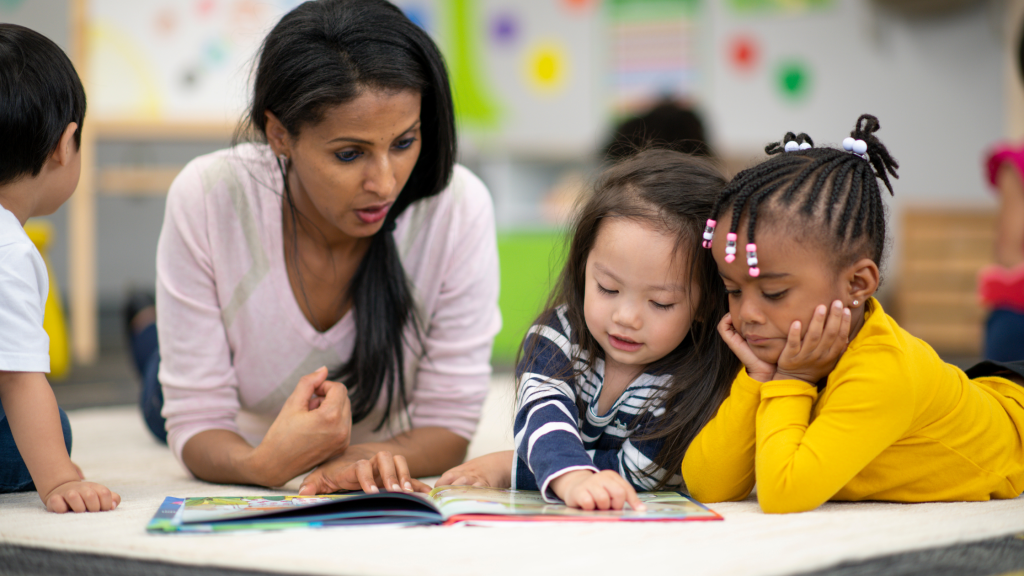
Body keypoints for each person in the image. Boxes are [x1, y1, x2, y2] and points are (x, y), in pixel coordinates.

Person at [129, 0, 501, 494]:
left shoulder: (458, 208)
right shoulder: (209, 195)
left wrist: (350, 460)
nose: (385, 183)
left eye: (404, 142)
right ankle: (145, 326)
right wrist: (263, 464)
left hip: (317, 427)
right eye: (349, 154)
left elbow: (448, 428)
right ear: (279, 135)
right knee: (158, 396)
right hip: (239, 408)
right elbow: (196, 422)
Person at [684, 114, 1024, 514]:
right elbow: (707, 485)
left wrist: (791, 381)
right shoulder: (785, 350)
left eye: (774, 292)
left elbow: (783, 492)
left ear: (857, 284)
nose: (748, 314)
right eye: (733, 291)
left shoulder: (882, 370)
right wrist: (757, 379)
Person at [439, 150, 741, 510]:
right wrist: (572, 476)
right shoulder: (558, 334)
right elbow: (542, 412)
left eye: (660, 302)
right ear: (583, 267)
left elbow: (642, 473)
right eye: (608, 288)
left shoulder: (693, 381)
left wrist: (512, 468)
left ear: (706, 304)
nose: (626, 317)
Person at [0, 24, 120, 512]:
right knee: (55, 429)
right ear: (65, 144)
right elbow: (17, 378)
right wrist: (58, 479)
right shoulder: (9, 251)